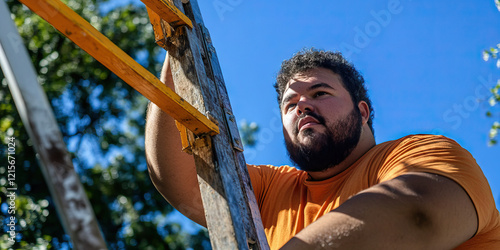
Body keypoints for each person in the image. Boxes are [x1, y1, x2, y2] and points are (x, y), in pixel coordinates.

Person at [145, 49, 500, 249]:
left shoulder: (417, 153)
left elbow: (420, 213)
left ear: (362, 112)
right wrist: (179, 48)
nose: (301, 106)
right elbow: (183, 180)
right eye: (289, 104)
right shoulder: (271, 190)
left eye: (319, 93)